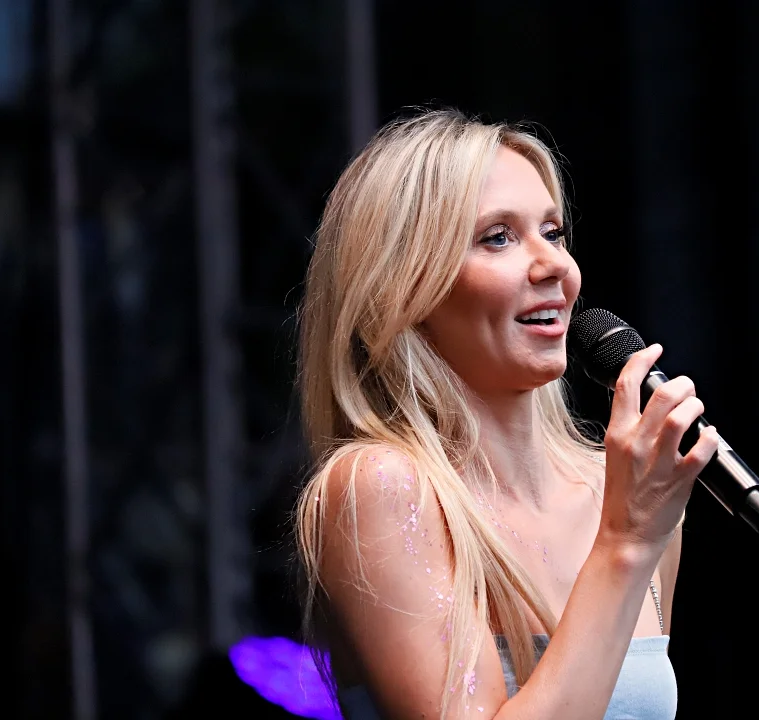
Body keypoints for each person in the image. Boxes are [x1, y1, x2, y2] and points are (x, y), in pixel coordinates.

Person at [294, 108, 720, 720]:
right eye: (498, 237)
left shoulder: (619, 494)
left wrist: (632, 531)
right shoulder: (382, 488)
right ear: (404, 288)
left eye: (554, 232)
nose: (555, 266)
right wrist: (625, 542)